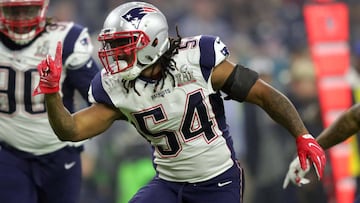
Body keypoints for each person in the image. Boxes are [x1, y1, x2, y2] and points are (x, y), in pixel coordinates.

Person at [33, 1, 326, 202]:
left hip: (217, 182)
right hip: (169, 185)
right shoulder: (117, 87)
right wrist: (51, 94)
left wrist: (301, 134)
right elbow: (70, 130)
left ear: (151, 43)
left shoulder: (198, 59)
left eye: (123, 46)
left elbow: (263, 93)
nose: (115, 56)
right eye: (113, 47)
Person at [0, 0, 100, 202]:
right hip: (9, 152)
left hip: (60, 152)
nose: (20, 19)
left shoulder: (66, 38)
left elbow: (97, 98)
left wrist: (90, 147)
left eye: (27, 10)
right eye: (14, 11)